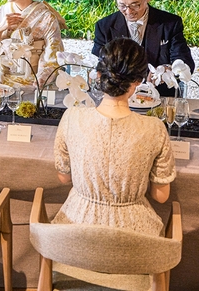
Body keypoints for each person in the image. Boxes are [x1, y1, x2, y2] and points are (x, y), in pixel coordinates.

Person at [53, 38, 176, 236]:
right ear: (138, 81)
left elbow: (64, 177)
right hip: (135, 238)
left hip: (76, 235)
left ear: (99, 75)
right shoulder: (155, 128)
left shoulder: (71, 117)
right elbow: (160, 196)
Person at [93, 0, 194, 96]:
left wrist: (167, 69)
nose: (128, 11)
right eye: (122, 6)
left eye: (135, 5)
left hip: (160, 96)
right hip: (119, 97)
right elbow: (98, 65)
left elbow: (185, 62)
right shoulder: (104, 26)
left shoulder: (170, 23)